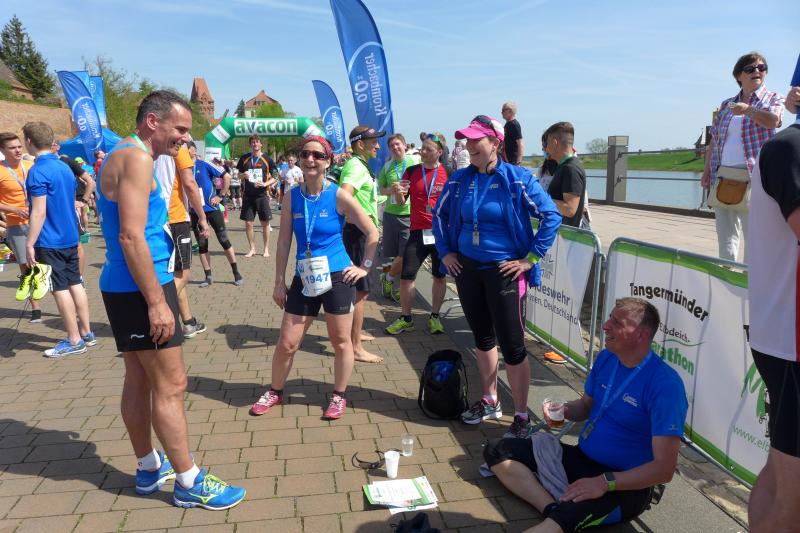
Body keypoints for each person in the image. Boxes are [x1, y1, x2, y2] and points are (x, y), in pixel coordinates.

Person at [96, 90, 245, 510]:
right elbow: (131, 236)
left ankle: (148, 467)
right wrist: (158, 303)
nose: (184, 138)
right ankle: (188, 481)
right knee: (172, 385)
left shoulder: (123, 153)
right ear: (152, 121)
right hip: (142, 286)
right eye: (179, 128)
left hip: (123, 284)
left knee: (139, 379)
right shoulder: (137, 158)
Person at [484, 298, 688, 533]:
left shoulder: (665, 386)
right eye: (609, 318)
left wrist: (604, 483)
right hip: (581, 459)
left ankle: (562, 515)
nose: (605, 326)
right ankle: (552, 508)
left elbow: (664, 470)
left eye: (617, 323)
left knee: (565, 518)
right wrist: (563, 410)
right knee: (497, 450)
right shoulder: (607, 358)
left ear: (641, 335)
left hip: (623, 485)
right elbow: (586, 406)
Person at [433, 115, 561, 438]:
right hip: (467, 269)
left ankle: (521, 416)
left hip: (504, 272)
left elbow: (551, 216)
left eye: (477, 140)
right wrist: (445, 252)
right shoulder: (459, 180)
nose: (470, 145)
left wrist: (530, 258)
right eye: (467, 140)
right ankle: (490, 400)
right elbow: (439, 215)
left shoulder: (517, 179)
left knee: (513, 347)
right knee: (482, 339)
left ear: (496, 143)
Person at [250, 135, 378, 420]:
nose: (310, 159)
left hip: (338, 275)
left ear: (327, 162)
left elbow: (372, 232)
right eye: (306, 154)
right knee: (287, 341)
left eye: (318, 156)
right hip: (305, 276)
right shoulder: (291, 196)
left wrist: (364, 267)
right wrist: (279, 281)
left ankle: (339, 395)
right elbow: (284, 241)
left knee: (340, 341)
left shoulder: (339, 196)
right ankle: (275, 391)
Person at [746, 85, 800, 533]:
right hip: (790, 339)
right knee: (792, 499)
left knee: (781, 469)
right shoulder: (791, 147)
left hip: (782, 335)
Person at [701, 52, 784, 262]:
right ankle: (726, 272)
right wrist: (707, 170)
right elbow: (715, 139)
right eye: (750, 68)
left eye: (761, 68)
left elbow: (773, 121)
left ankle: (750, 278)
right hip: (723, 175)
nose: (757, 71)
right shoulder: (727, 104)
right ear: (739, 75)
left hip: (755, 176)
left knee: (754, 234)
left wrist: (748, 110)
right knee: (726, 234)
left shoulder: (773, 98)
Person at [22, 122, 95, 357]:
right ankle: (87, 332)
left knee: (59, 288)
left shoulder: (37, 171)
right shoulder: (63, 165)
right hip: (70, 236)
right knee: (76, 282)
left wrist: (29, 243)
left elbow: (39, 212)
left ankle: (74, 340)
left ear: (29, 142)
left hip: (50, 239)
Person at [385, 134, 449, 335]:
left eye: (429, 149)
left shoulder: (449, 172)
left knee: (439, 277)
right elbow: (401, 202)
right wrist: (397, 192)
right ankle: (406, 318)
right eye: (422, 148)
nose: (423, 151)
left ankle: (435, 317)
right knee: (406, 277)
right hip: (417, 232)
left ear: (439, 152)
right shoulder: (412, 171)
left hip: (441, 235)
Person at [339, 125, 385, 364]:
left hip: (360, 232)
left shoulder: (361, 165)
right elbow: (344, 195)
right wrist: (357, 218)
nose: (378, 145)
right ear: (360, 144)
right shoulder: (355, 166)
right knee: (361, 291)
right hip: (358, 233)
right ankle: (355, 347)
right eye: (373, 141)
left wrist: (388, 193)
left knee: (359, 289)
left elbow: (364, 197)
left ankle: (355, 334)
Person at [154, 144, 208, 338]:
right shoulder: (179, 150)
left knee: (173, 273)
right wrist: (202, 217)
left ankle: (188, 322)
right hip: (176, 218)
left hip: (157, 218)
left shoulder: (151, 149)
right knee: (183, 275)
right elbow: (190, 184)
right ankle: (155, 311)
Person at [0, 131, 43, 322]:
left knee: (48, 262)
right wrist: (13, 209)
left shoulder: (31, 166)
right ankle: (36, 308)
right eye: (12, 148)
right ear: (2, 150)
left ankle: (63, 300)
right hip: (16, 225)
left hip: (40, 222)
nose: (18, 150)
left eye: (19, 146)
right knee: (27, 267)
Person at [187, 142, 242, 288]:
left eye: (186, 148)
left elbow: (227, 177)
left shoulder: (204, 164)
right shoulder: (182, 167)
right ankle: (208, 276)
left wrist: (221, 196)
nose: (183, 151)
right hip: (195, 212)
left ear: (194, 150)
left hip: (212, 209)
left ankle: (236, 273)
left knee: (224, 240)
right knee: (202, 245)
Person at [377, 133, 415, 301]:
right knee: (394, 254)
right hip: (391, 214)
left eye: (398, 144)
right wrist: (390, 190)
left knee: (406, 253)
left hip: (409, 214)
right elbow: (381, 189)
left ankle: (388, 278)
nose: (395, 147)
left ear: (405, 145)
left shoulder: (415, 162)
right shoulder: (387, 166)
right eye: (392, 146)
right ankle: (396, 286)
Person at [237, 134, 278, 258]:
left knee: (265, 223)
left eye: (257, 142)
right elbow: (238, 175)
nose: (255, 144)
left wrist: (265, 184)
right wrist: (243, 175)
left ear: (261, 144)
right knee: (248, 223)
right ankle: (252, 248)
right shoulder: (244, 158)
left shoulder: (267, 159)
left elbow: (275, 176)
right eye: (253, 142)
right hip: (248, 195)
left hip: (262, 195)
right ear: (251, 144)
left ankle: (266, 249)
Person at [544, 122, 588, 229]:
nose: (546, 149)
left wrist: (541, 198)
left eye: (547, 143)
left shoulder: (570, 169)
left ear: (554, 143)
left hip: (567, 235)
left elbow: (570, 209)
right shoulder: (564, 166)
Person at [502, 101, 524, 165]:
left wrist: (518, 161)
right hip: (506, 159)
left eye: (503, 110)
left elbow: (520, 143)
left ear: (510, 111)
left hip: (512, 161)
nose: (501, 112)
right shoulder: (508, 124)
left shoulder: (514, 124)